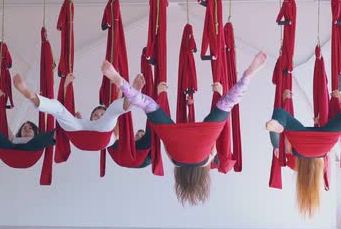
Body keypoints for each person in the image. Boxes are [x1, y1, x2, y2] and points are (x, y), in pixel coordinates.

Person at [103, 51, 268, 205]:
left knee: (227, 103)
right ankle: (122, 84)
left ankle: (247, 77)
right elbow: (169, 144)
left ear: (202, 178)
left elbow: (215, 147)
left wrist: (215, 97)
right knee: (148, 105)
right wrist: (163, 100)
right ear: (179, 178)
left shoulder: (207, 162)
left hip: (205, 136)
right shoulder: (176, 162)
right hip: (175, 139)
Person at [266, 89, 341, 216]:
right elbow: (287, 144)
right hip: (300, 142)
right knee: (281, 113)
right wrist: (276, 146)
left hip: (323, 144)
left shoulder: (321, 168)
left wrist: (319, 128)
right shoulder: (294, 165)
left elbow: (327, 152)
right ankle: (277, 124)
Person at [12, 63, 133, 150]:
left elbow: (115, 117)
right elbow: (67, 111)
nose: (98, 116)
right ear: (90, 118)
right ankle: (30, 95)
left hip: (100, 137)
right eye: (95, 115)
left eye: (101, 114)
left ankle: (125, 86)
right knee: (60, 110)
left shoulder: (105, 125)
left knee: (113, 111)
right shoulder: (85, 123)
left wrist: (118, 92)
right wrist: (66, 86)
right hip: (80, 134)